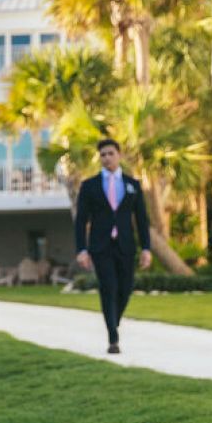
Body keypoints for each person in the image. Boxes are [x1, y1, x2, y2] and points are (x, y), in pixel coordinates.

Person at [74, 139, 152, 354]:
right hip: (101, 247)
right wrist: (82, 249)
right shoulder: (89, 186)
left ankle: (113, 321)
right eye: (103, 155)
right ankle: (113, 338)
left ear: (119, 155)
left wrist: (146, 248)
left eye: (110, 153)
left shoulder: (132, 185)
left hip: (126, 246)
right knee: (108, 288)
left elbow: (142, 220)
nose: (106, 158)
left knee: (125, 289)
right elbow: (81, 220)